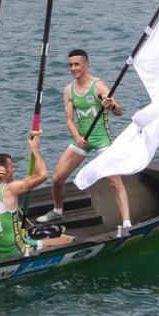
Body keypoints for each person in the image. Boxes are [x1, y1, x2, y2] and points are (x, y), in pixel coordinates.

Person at [36, 49, 132, 234]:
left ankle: (127, 222)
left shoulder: (98, 86)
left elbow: (119, 111)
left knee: (115, 183)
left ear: (86, 65)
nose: (73, 68)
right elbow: (69, 120)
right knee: (57, 178)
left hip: (102, 140)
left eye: (77, 64)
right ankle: (57, 211)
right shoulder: (69, 90)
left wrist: (111, 105)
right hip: (82, 140)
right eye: (71, 65)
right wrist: (76, 136)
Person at [0, 132, 76, 260]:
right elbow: (42, 175)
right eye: (11, 167)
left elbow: (33, 178)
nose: (13, 170)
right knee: (68, 240)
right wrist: (35, 149)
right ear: (2, 171)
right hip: (16, 250)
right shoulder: (10, 189)